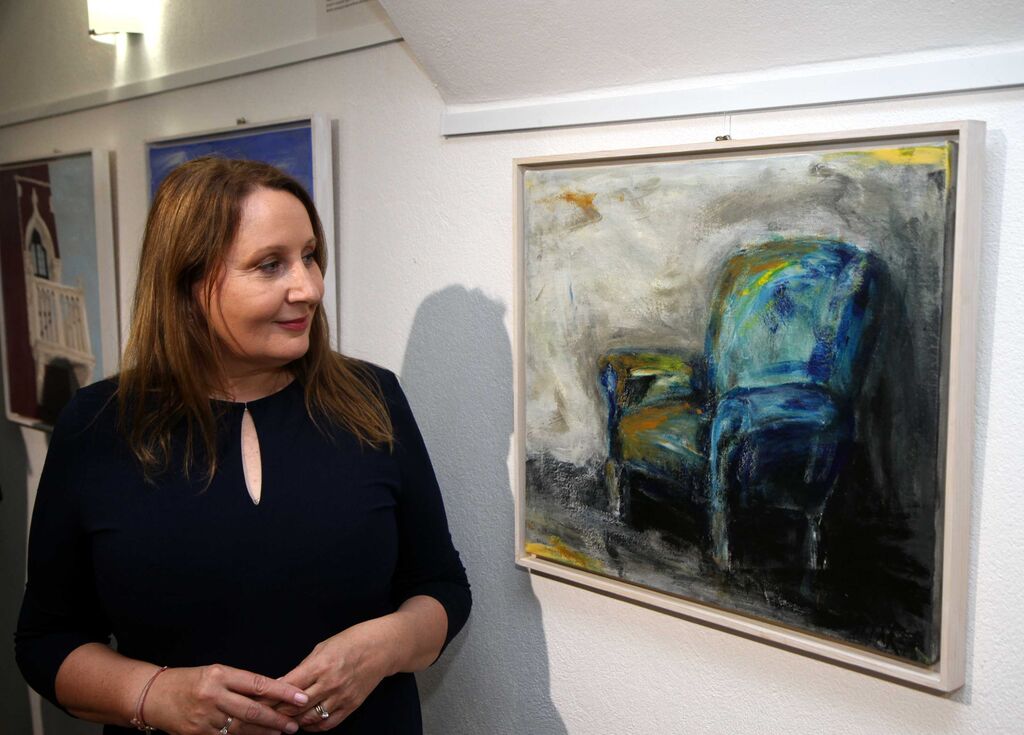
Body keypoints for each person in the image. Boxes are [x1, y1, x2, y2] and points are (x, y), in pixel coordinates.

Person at [15, 157, 471, 734]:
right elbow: (46, 640)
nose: (310, 287)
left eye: (310, 256)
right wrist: (153, 693)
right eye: (270, 265)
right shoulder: (99, 425)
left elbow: (440, 585)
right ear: (189, 282)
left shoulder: (372, 398)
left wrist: (384, 646)